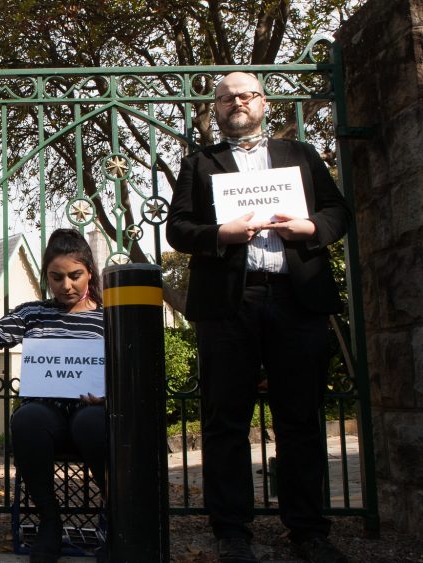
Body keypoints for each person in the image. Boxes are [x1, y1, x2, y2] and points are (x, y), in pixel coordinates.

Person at [167, 72, 350, 563]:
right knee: (225, 420)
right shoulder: (199, 163)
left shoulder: (301, 156)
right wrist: (219, 234)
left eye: (246, 95)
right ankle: (232, 532)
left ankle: (309, 531)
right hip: (230, 304)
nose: (236, 103)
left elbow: (338, 212)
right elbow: (179, 230)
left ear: (264, 102)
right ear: (215, 110)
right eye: (225, 98)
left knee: (301, 418)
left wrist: (310, 227)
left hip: (296, 297)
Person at [0, 228, 106, 563]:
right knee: (27, 419)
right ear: (47, 278)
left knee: (93, 423)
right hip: (46, 414)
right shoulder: (33, 313)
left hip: (91, 412)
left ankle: (113, 518)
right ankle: (49, 522)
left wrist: (108, 398)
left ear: (89, 273)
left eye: (75, 276)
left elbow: (126, 368)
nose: (66, 285)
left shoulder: (107, 316)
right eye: (56, 277)